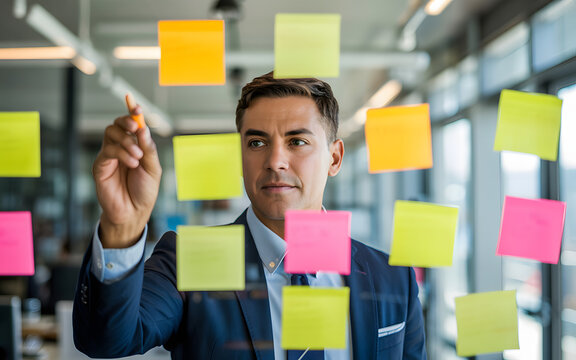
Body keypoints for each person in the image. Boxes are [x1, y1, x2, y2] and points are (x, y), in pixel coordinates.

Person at [73, 72, 427, 359]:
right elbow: (107, 340)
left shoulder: (391, 277)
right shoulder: (191, 260)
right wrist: (123, 226)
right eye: (256, 143)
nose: (274, 161)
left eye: (297, 142)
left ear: (334, 158)